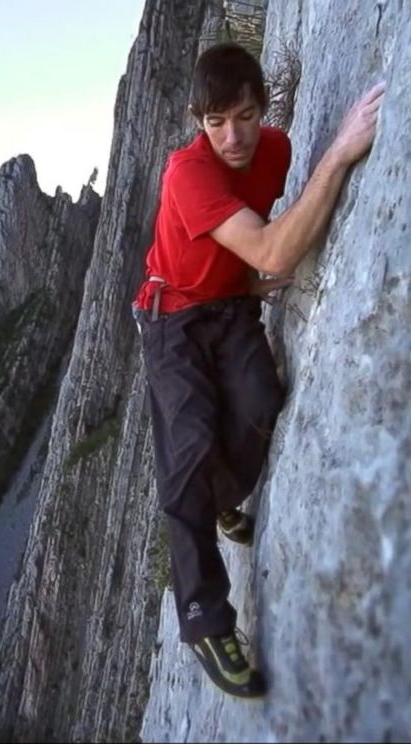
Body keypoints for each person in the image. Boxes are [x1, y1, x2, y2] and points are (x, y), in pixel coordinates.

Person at [131, 41, 386, 698]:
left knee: (259, 405)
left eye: (243, 115)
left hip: (232, 303)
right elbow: (275, 244)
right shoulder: (187, 174)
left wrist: (247, 279)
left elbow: (260, 246)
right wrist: (342, 151)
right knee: (187, 449)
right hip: (173, 318)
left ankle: (222, 500)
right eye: (215, 122)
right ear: (198, 121)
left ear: (262, 108)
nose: (232, 136)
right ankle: (204, 619)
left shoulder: (275, 151)